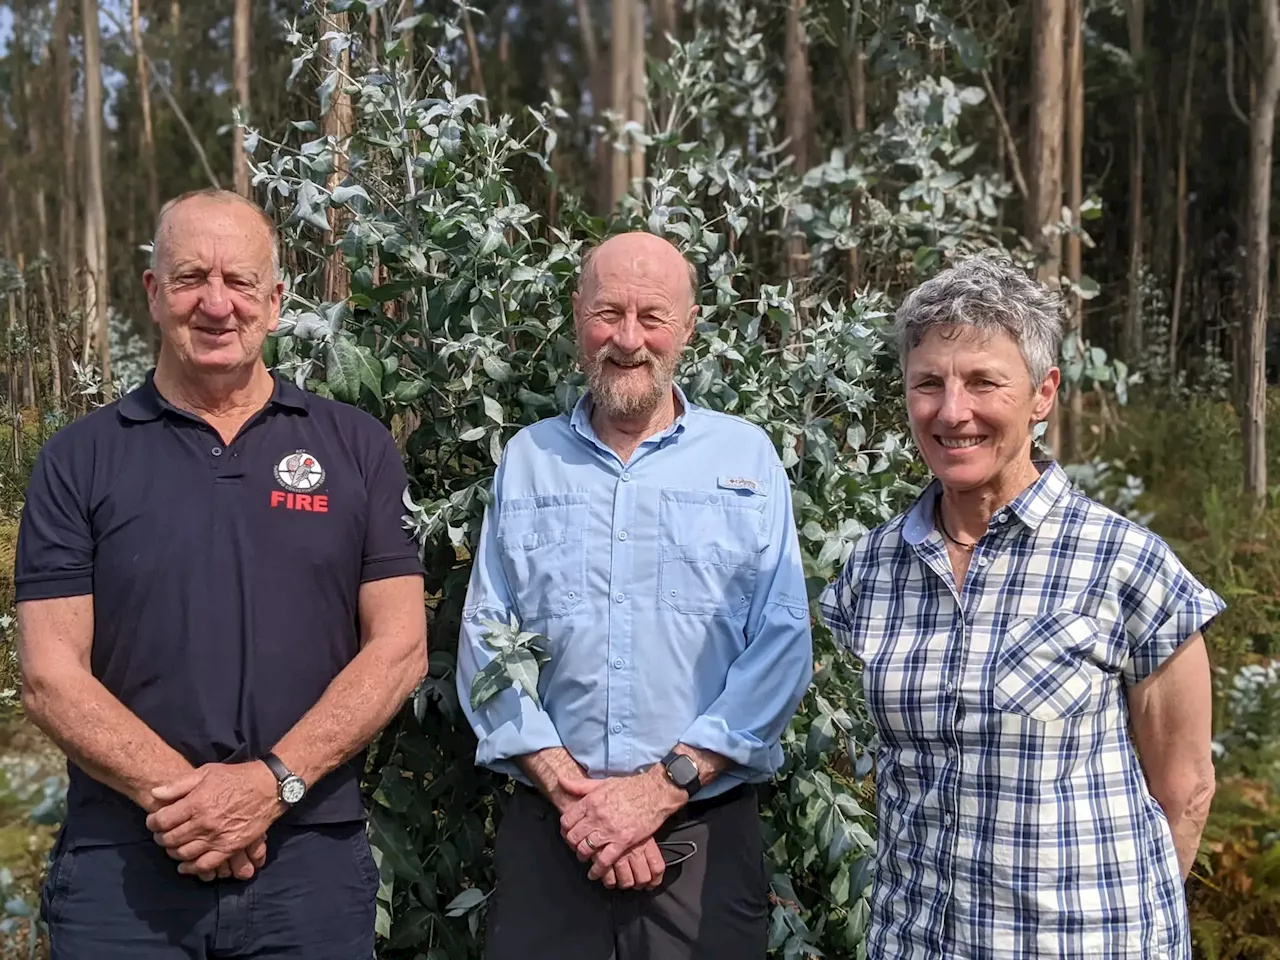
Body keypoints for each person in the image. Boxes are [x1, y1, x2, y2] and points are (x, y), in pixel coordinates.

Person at [14, 188, 428, 959]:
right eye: (190, 278)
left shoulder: (357, 448)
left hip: (308, 856)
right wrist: (193, 806)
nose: (216, 304)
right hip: (124, 866)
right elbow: (48, 674)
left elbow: (400, 648)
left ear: (274, 303)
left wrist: (268, 787)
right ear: (152, 293)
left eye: (239, 282)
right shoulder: (78, 460)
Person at [817, 254, 1224, 960]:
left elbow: (1185, 789)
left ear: (1042, 395)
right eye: (928, 384)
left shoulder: (1123, 564)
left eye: (983, 382)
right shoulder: (873, 569)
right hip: (913, 941)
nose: (952, 412)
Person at [456, 231, 813, 959]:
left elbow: (783, 646)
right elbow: (486, 641)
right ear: (576, 315)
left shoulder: (747, 458)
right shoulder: (528, 461)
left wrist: (658, 791)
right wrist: (579, 800)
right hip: (552, 834)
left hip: (702, 837)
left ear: (690, 327)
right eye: (607, 312)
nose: (627, 338)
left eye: (652, 317)